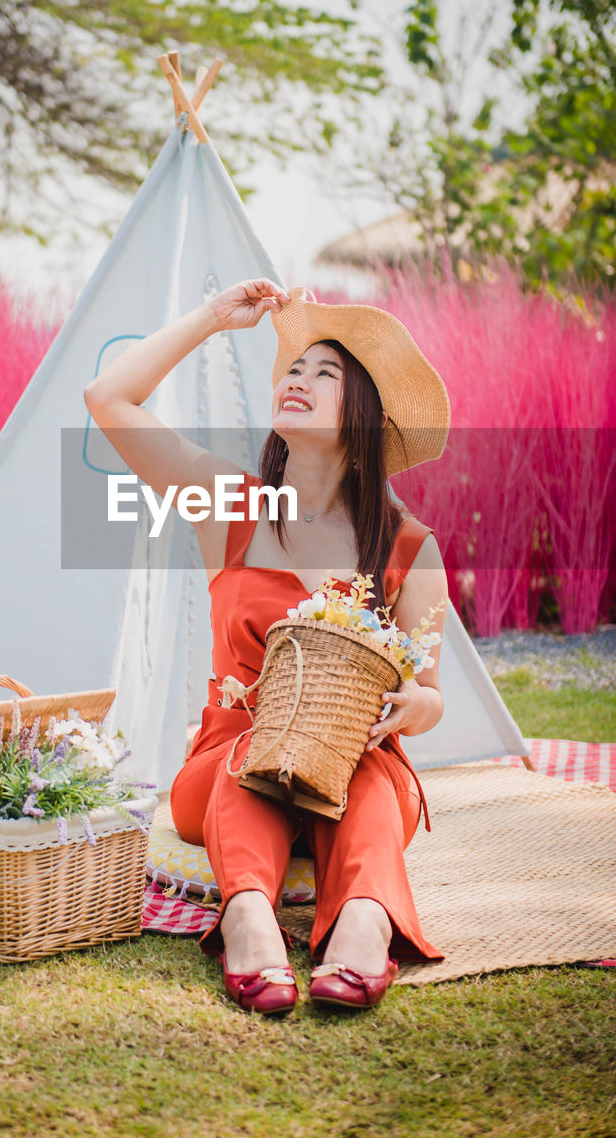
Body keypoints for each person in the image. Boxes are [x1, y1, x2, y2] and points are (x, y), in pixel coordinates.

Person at [84, 279, 451, 1015]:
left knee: (376, 782)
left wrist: (411, 705)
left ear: (366, 418)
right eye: (292, 368)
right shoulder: (232, 505)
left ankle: (364, 925)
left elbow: (431, 695)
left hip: (351, 766)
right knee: (245, 765)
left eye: (326, 374)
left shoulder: (410, 547)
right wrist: (214, 318)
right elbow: (108, 400)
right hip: (229, 758)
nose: (297, 381)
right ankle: (250, 922)